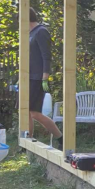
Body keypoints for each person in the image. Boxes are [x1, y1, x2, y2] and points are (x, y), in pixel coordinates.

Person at [28, 8, 62, 140]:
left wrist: (45, 77)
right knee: (25, 111)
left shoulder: (41, 31)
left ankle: (60, 138)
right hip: (27, 77)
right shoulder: (30, 33)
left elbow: (46, 55)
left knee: (34, 113)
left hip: (37, 78)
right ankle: (27, 141)